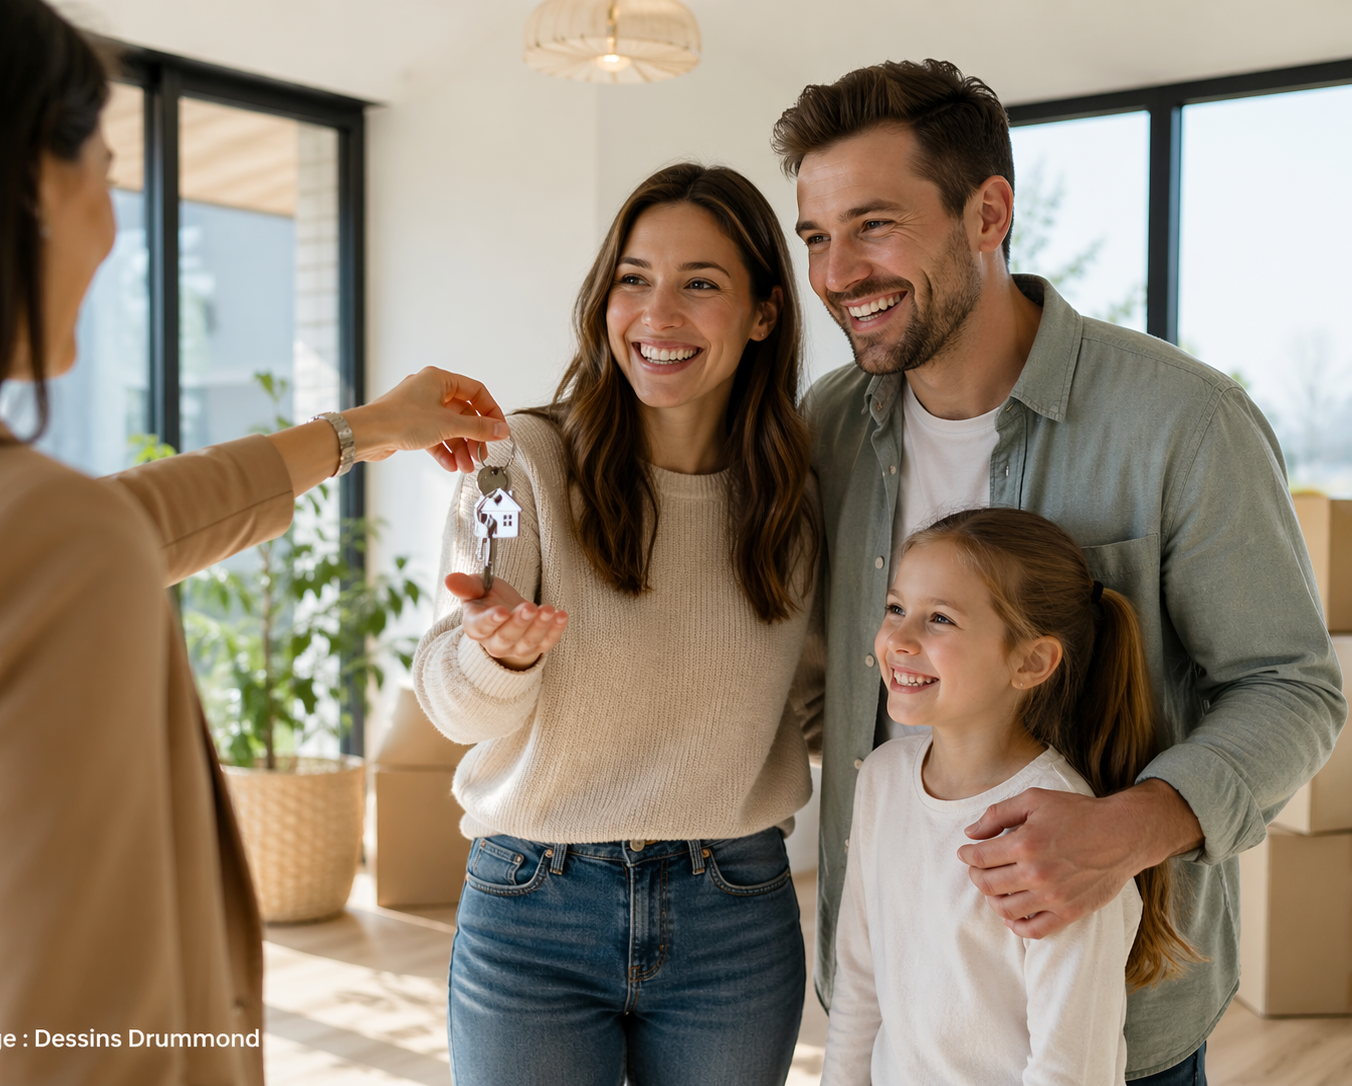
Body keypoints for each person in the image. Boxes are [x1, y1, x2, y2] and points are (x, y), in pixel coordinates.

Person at [0, 3, 507, 1083]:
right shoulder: (30, 543)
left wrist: (363, 430)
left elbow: (120, 522)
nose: (111, 223)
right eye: (103, 166)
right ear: (27, 183)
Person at [773, 59, 1345, 1082]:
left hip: (1115, 1033)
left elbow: (1288, 688)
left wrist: (1125, 829)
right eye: (816, 236)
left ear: (986, 212)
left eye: (873, 225)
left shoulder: (1179, 423)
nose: (834, 273)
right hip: (897, 1020)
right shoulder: (825, 429)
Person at [412, 162, 822, 1086]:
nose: (657, 314)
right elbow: (449, 704)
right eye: (633, 279)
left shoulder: (797, 500)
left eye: (700, 284)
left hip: (735, 911)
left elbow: (824, 696)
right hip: (533, 908)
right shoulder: (517, 466)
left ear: (763, 312)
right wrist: (496, 659)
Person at [823, 508, 1202, 1085]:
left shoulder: (1064, 837)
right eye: (896, 608)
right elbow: (859, 980)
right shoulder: (881, 777)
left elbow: (1070, 1069)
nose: (898, 639)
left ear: (1031, 661)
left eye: (940, 619)